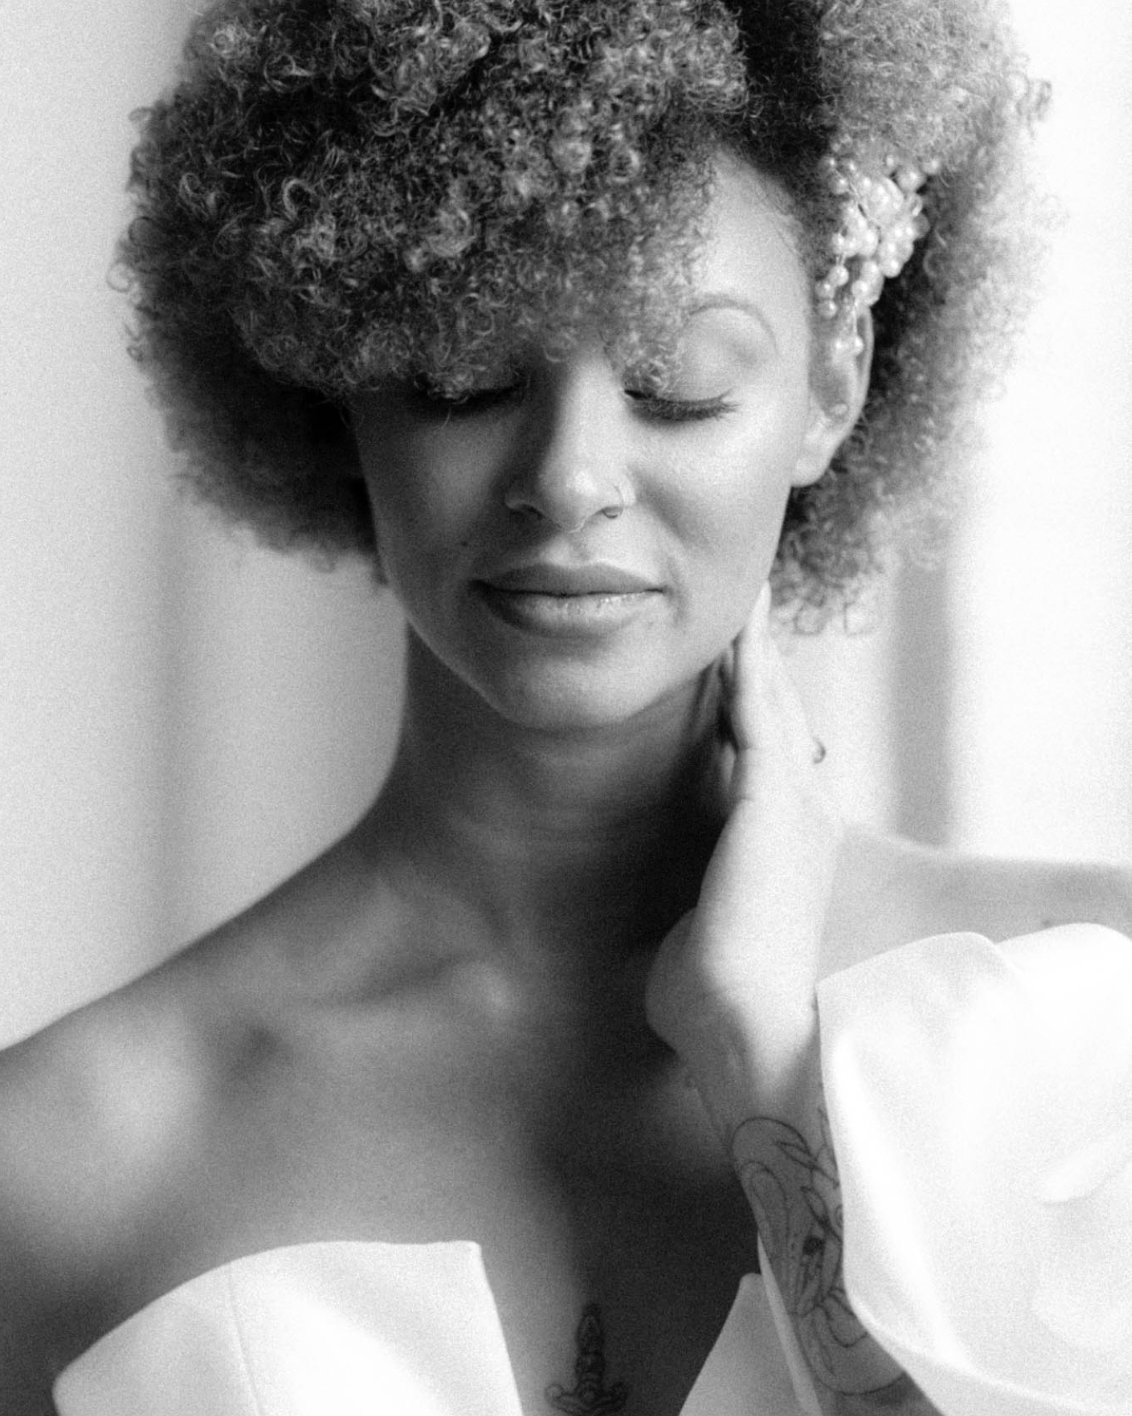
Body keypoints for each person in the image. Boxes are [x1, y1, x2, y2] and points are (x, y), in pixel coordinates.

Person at [2, 1, 1130, 1413]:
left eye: (677, 385)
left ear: (833, 388)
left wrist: (761, 1052)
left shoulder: (1099, 1012)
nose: (572, 477)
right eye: (469, 376)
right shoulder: (63, 1158)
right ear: (334, 378)